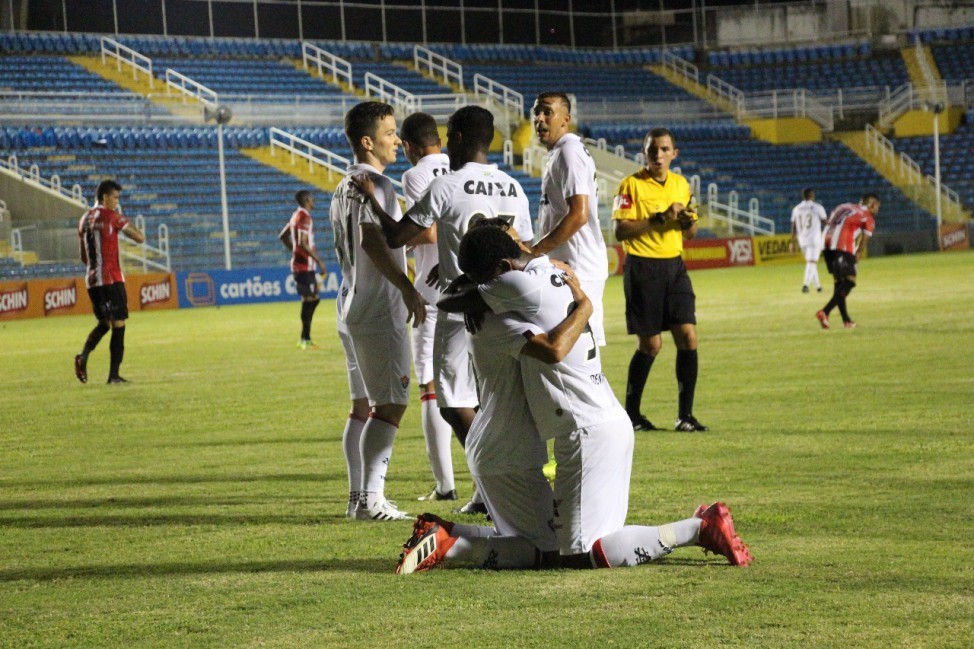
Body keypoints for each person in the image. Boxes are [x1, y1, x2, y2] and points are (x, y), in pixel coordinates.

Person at [396, 225, 751, 572]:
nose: (486, 289)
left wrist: (584, 308)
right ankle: (448, 538)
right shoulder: (553, 271)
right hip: (602, 418)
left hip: (583, 429)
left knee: (580, 554)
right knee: (555, 546)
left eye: (487, 282)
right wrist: (580, 302)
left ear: (502, 272)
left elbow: (544, 345)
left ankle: (699, 529)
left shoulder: (513, 291)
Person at [351, 105, 533, 516]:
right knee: (490, 399)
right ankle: (492, 487)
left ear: (457, 139)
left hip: (459, 307)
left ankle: (494, 479)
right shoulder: (513, 187)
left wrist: (373, 202)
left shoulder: (448, 186)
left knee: (451, 403)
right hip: (503, 305)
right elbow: (526, 249)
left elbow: (397, 236)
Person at [330, 101, 427, 522]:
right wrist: (407, 287)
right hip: (377, 308)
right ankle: (371, 500)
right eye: (389, 133)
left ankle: (358, 499)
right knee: (390, 407)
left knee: (361, 408)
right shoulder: (379, 185)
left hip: (349, 304)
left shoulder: (342, 184)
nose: (397, 140)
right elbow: (372, 240)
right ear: (367, 142)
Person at [612, 127, 707, 433]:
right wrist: (659, 218)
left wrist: (685, 222)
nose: (658, 155)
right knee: (651, 345)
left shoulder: (682, 185)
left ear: (673, 154)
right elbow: (620, 231)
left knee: (688, 338)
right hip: (643, 269)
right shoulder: (630, 185)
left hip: (675, 268)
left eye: (664, 149)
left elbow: (690, 233)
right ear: (645, 152)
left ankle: (685, 416)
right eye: (653, 149)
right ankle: (632, 415)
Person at [398, 112, 457, 502]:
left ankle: (446, 486)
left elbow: (430, 227)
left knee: (431, 389)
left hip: (432, 292)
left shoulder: (414, 174)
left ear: (408, 146)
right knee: (474, 387)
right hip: (469, 287)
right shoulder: (462, 166)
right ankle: (488, 483)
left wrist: (401, 237)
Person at [530, 91, 608, 345]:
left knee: (579, 349)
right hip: (570, 264)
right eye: (536, 113)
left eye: (547, 112)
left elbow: (578, 214)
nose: (539, 119)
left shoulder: (570, 151)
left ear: (566, 118)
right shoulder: (560, 151)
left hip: (578, 265)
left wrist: (536, 251)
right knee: (569, 348)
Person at [74, 179, 145, 385]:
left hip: (92, 281)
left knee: (104, 323)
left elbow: (84, 257)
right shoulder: (113, 217)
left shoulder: (84, 219)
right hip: (112, 278)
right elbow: (139, 238)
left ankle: (83, 355)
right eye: (115, 197)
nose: (117, 202)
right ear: (105, 197)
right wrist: (126, 225)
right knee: (119, 324)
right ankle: (114, 375)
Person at [816, 193, 880, 330]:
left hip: (826, 244)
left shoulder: (844, 206)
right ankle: (825, 312)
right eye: (877, 207)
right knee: (850, 281)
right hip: (842, 246)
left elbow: (830, 221)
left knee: (839, 284)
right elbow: (864, 240)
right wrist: (858, 254)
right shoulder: (868, 217)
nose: (877, 210)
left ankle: (846, 321)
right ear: (871, 204)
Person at [278, 190, 324, 349]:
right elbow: (303, 242)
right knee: (309, 299)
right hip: (304, 266)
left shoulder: (295, 216)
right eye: (311, 198)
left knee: (313, 298)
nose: (313, 200)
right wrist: (318, 260)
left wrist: (295, 250)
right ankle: (304, 338)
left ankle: (306, 337)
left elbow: (283, 236)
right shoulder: (304, 217)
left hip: (302, 265)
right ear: (306, 200)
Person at [789, 187, 828, 293]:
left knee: (811, 263)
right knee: (811, 262)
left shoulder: (796, 209)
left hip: (802, 240)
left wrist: (792, 242)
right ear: (812, 196)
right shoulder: (817, 207)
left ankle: (818, 286)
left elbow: (793, 227)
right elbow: (826, 222)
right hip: (814, 239)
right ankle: (805, 285)